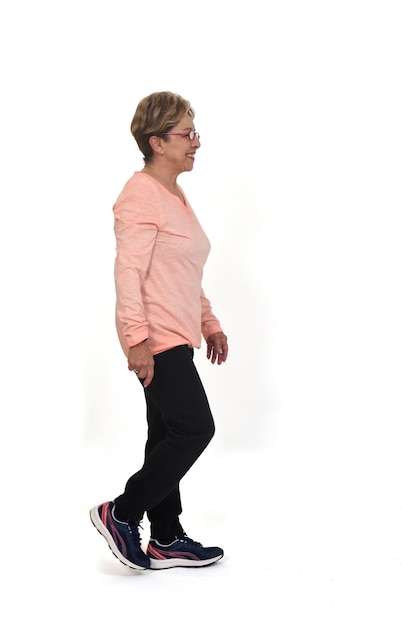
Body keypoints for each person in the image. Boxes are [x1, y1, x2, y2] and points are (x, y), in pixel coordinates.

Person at [90, 91, 228, 571]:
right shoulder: (140, 194)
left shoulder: (174, 195)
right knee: (195, 428)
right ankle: (122, 512)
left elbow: (183, 271)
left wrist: (208, 322)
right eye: (186, 134)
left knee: (165, 433)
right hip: (157, 339)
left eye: (195, 132)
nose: (195, 142)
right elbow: (127, 273)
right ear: (157, 141)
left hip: (179, 334)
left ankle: (166, 537)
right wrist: (135, 339)